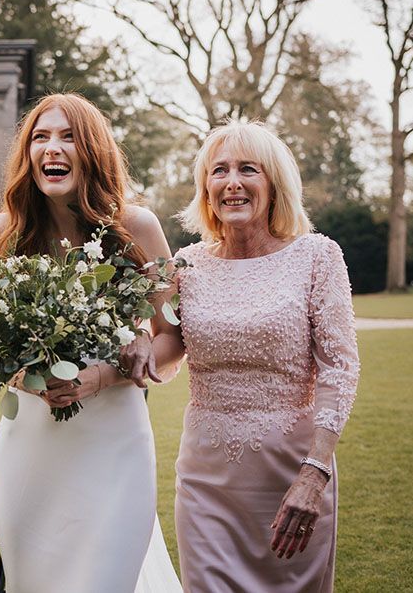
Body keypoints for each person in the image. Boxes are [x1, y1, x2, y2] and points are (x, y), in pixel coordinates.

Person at [0, 92, 185, 593]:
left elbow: (175, 338)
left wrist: (102, 377)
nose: (53, 148)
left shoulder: (136, 227)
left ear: (93, 150)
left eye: (68, 136)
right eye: (41, 137)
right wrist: (29, 381)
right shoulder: (0, 235)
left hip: (112, 444)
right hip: (31, 445)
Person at [171, 120, 360, 591]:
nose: (232, 182)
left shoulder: (317, 256)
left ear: (273, 184)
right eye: (219, 171)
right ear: (206, 188)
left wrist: (315, 473)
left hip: (293, 476)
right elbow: (159, 347)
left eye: (248, 169)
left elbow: (340, 368)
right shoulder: (185, 266)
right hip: (204, 480)